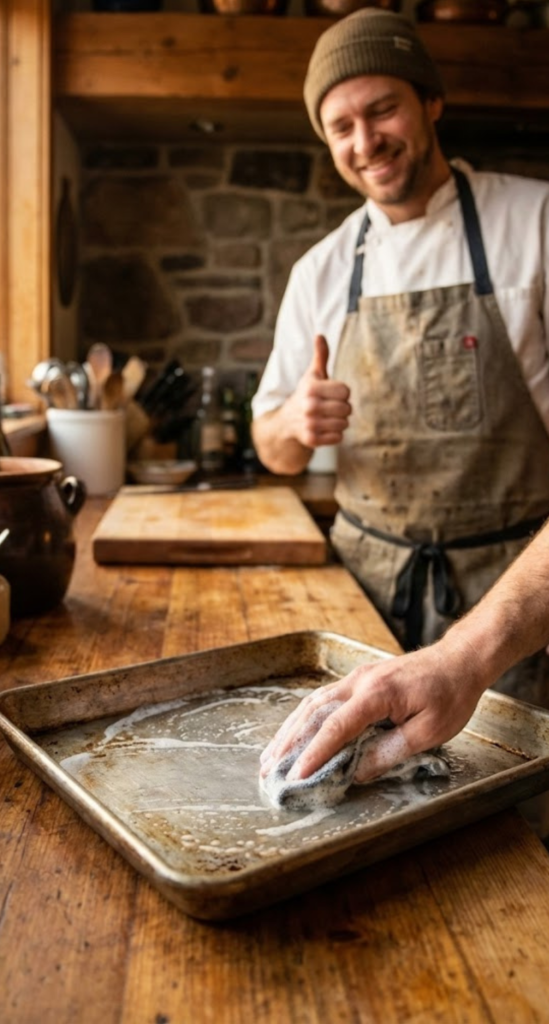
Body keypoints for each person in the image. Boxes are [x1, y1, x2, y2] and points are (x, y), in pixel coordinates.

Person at [251, 9, 549, 710]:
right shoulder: (319, 271)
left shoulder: (534, 225)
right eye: (341, 127)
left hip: (513, 607)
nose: (366, 141)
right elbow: (273, 452)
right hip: (365, 600)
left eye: (383, 109)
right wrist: (293, 422)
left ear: (430, 102)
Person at [260, 517, 549, 791]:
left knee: (511, 816)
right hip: (364, 574)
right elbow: (282, 465)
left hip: (513, 578)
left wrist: (461, 658)